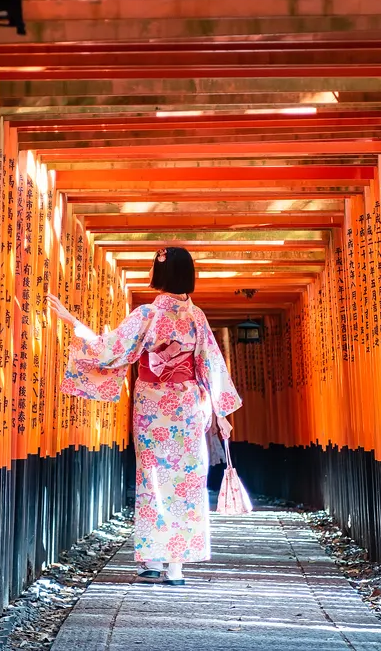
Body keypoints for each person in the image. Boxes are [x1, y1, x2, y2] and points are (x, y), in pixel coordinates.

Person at [48, 246, 242, 586]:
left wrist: (71, 321)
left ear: (159, 274)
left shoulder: (148, 314)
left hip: (152, 405)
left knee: (152, 477)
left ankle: (152, 560)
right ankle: (177, 567)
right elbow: (211, 364)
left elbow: (111, 350)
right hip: (189, 406)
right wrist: (220, 411)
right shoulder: (198, 318)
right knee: (187, 480)